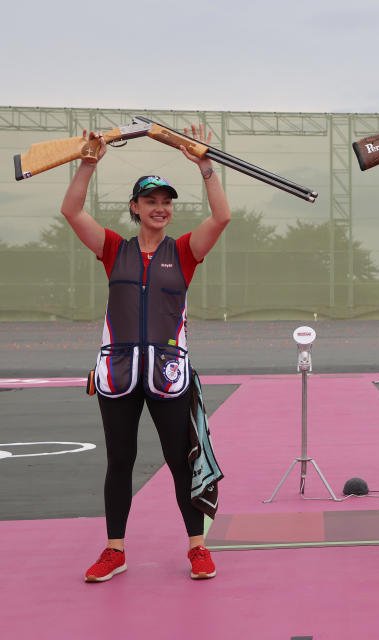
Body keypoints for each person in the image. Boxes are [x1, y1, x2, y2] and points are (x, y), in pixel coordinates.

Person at [61, 125, 231, 581]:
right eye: (151, 201)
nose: (161, 208)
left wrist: (204, 165)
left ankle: (197, 547)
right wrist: (89, 163)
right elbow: (71, 210)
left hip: (168, 374)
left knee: (181, 461)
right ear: (135, 208)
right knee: (120, 461)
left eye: (167, 202)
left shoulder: (186, 251)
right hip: (118, 374)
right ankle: (115, 550)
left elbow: (222, 218)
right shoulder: (114, 248)